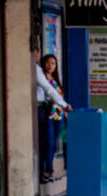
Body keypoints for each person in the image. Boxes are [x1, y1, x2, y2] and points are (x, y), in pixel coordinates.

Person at [35, 54, 71, 184]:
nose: (50, 66)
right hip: (48, 114)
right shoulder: (41, 78)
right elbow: (48, 94)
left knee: (54, 144)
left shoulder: (55, 80)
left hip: (58, 115)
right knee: (48, 143)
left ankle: (48, 169)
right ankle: (49, 170)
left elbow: (57, 95)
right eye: (48, 63)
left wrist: (64, 110)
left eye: (53, 63)